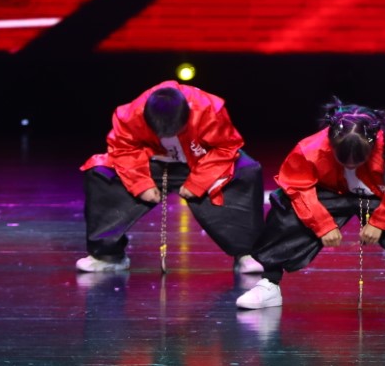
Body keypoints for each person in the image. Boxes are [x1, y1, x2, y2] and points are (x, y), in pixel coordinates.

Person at [235, 101, 385, 311]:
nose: (351, 165)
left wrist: (380, 222)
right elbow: (297, 187)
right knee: (285, 205)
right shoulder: (310, 150)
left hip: (378, 197)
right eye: (344, 160)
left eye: (358, 161)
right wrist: (322, 225)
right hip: (330, 195)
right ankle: (269, 283)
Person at [78, 81, 264, 274]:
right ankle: (107, 256)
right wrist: (140, 184)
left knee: (246, 171)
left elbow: (226, 146)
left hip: (201, 162)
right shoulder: (130, 114)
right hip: (151, 163)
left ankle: (247, 253)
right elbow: (123, 149)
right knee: (101, 173)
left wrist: (198, 182)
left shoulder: (208, 109)